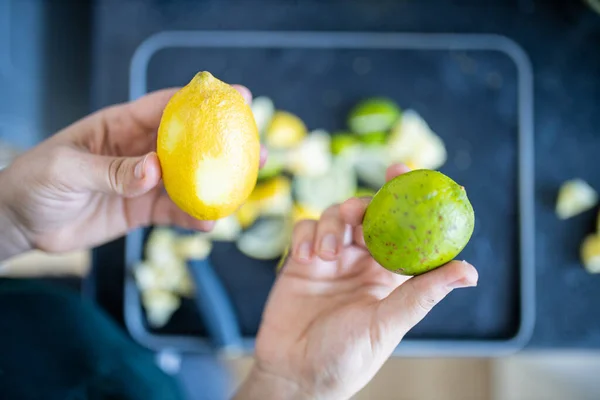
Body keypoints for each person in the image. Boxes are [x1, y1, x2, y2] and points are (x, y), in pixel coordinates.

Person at [0, 85, 477, 400]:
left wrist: (11, 222)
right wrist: (286, 386)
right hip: (115, 366)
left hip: (50, 322)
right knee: (202, 376)